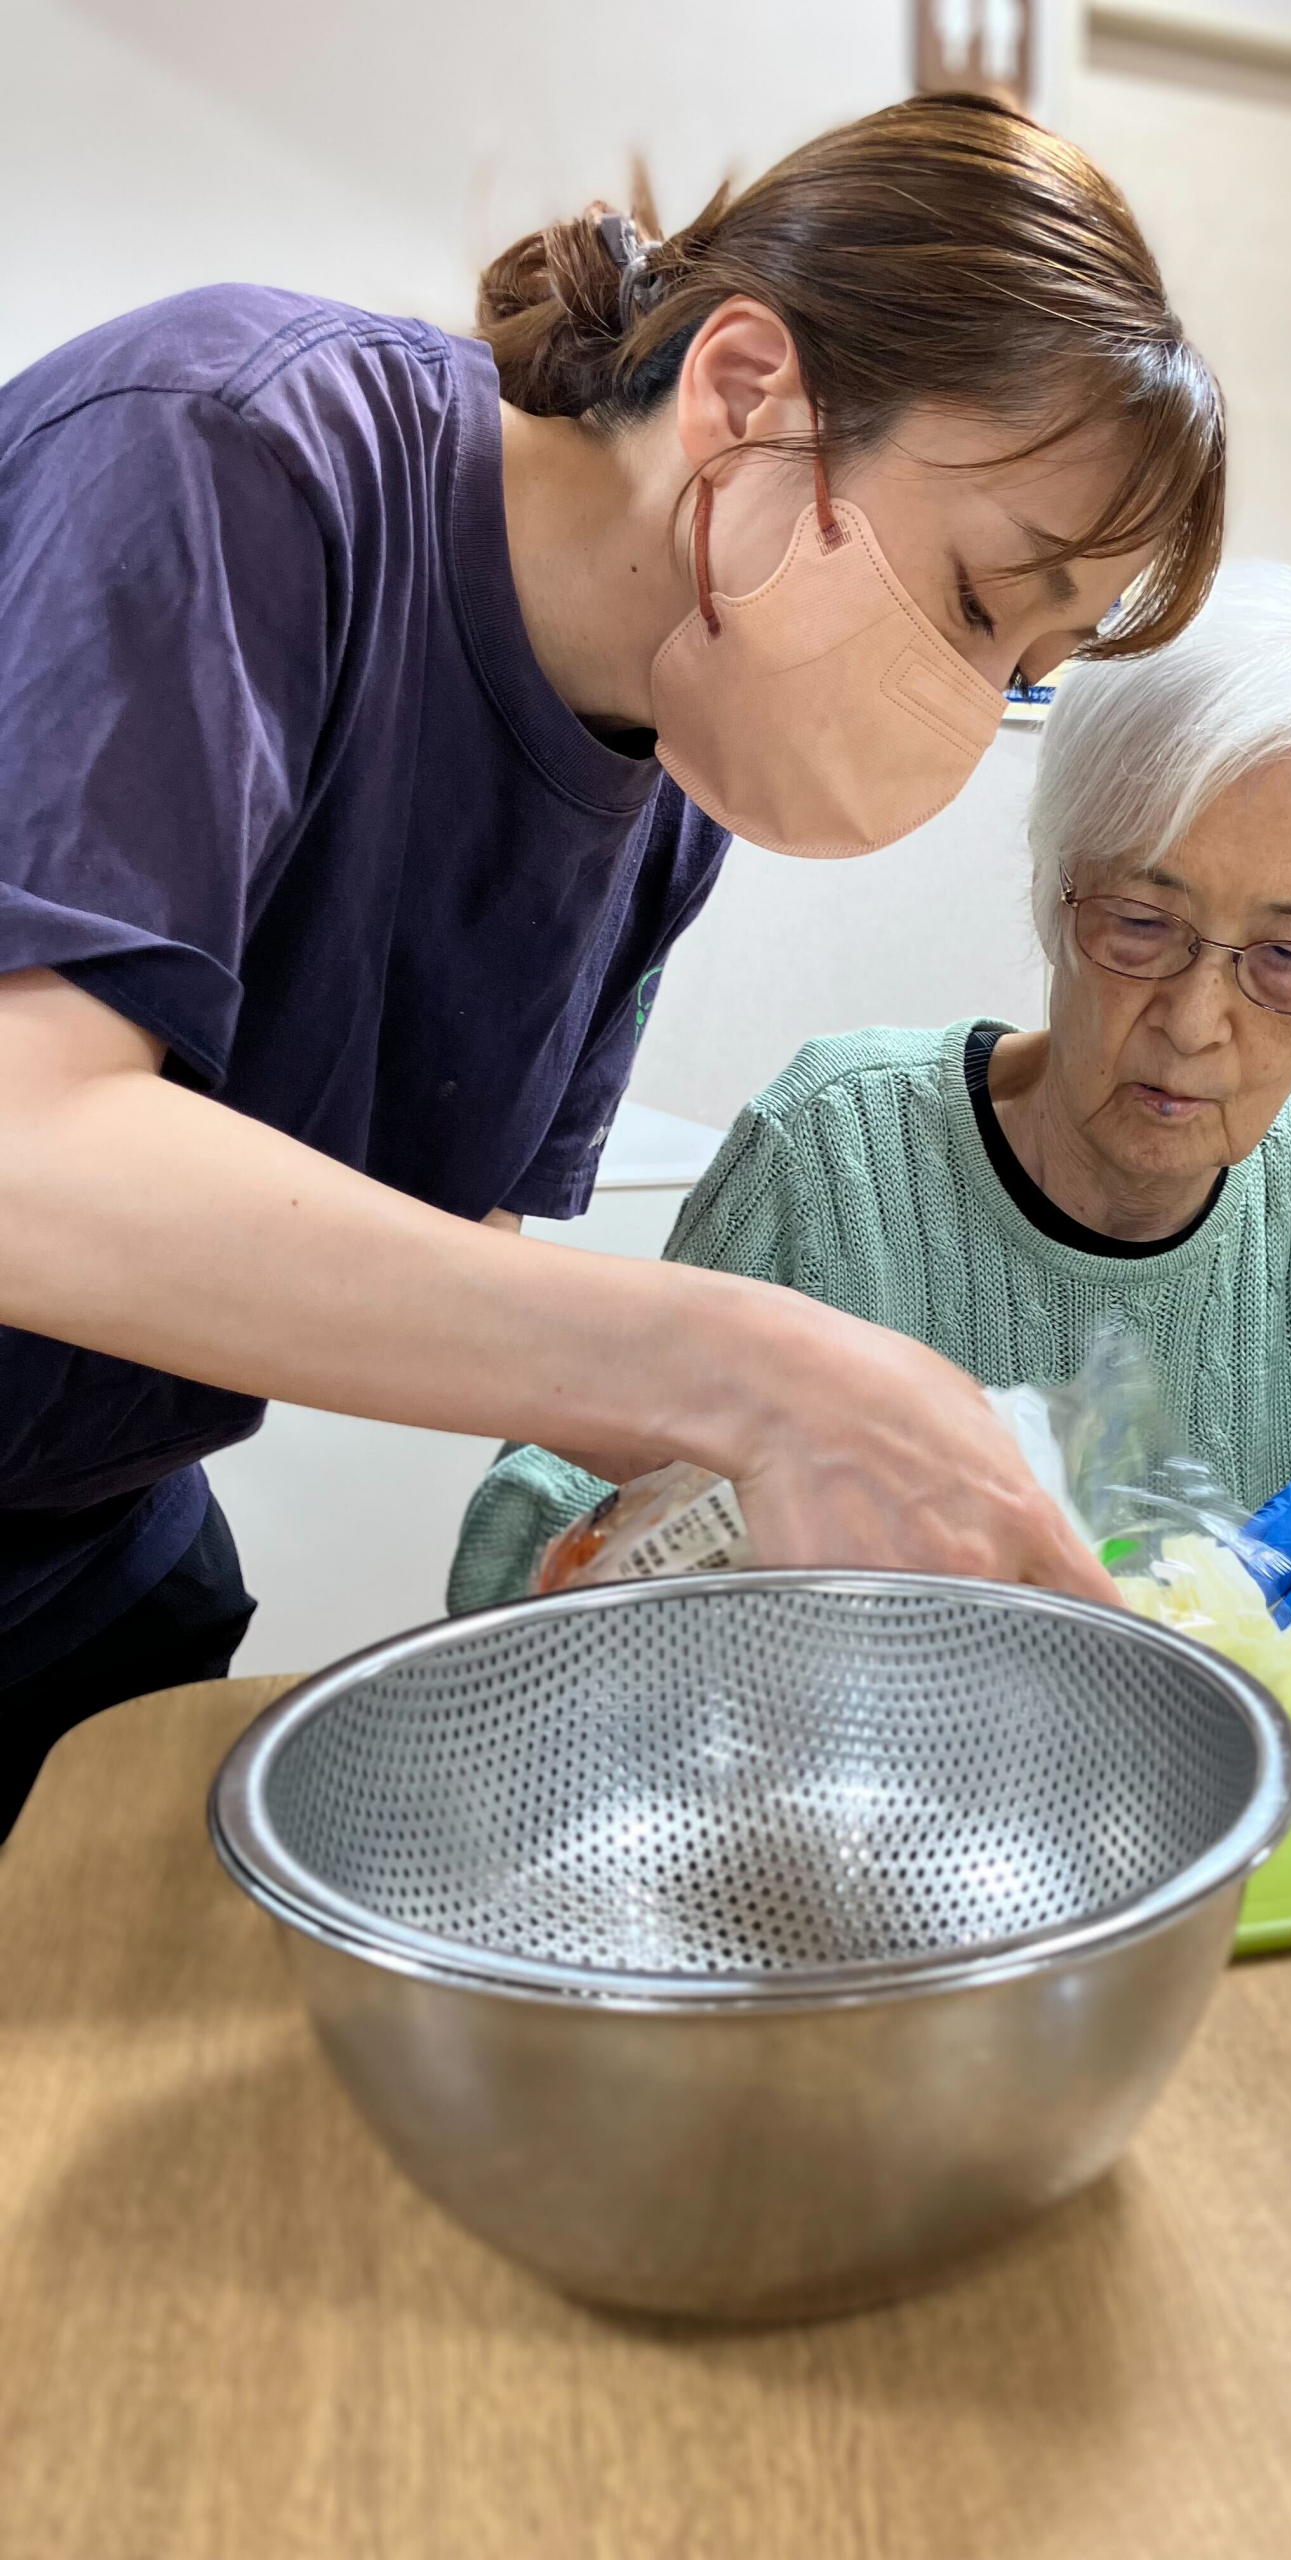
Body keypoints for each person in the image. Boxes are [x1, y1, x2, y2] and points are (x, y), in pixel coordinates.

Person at [0, 94, 1227, 1833]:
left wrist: (763, 1489)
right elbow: (30, 1159)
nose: (974, 709)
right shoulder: (237, 453)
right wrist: (755, 1373)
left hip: (86, 1546)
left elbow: (445, 1259)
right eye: (976, 602)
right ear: (746, 390)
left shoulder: (667, 774)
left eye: (1026, 668)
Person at [454, 563, 1291, 1696]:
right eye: (1142, 925)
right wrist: (733, 1544)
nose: (1196, 1023)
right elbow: (518, 1547)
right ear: (1056, 894)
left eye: (1289, 958)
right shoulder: (837, 1154)